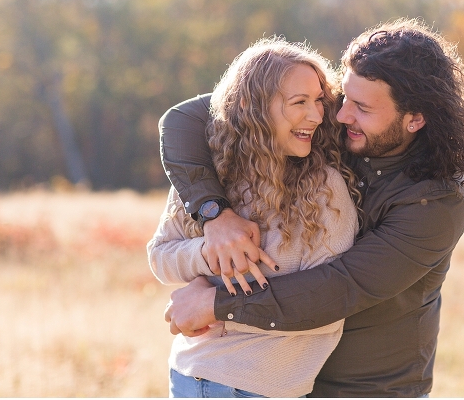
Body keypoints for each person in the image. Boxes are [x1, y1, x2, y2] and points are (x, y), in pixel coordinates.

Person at [162, 18, 464, 397]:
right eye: (344, 97)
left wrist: (216, 303)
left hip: (367, 388)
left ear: (415, 119)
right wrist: (214, 214)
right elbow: (184, 120)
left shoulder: (437, 202)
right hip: (284, 381)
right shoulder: (331, 123)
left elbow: (338, 288)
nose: (340, 115)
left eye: (362, 107)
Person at [147, 37, 360, 398]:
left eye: (318, 101)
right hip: (187, 375)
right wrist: (209, 250)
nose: (317, 115)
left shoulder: (324, 188)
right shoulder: (210, 173)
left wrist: (215, 307)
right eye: (299, 103)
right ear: (250, 104)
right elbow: (160, 255)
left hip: (261, 388)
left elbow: (325, 307)